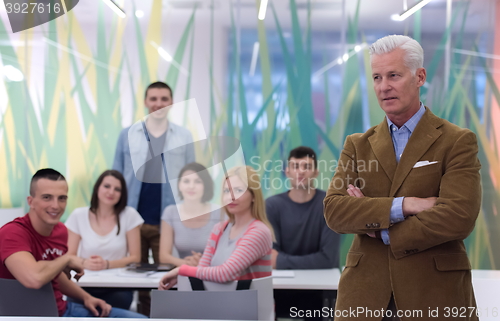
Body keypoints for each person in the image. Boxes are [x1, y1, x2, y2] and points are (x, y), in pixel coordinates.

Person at [324, 35, 481, 321]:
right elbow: (335, 211)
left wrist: (380, 229)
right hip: (365, 296)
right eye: (376, 77)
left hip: (435, 294)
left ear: (419, 76)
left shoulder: (457, 141)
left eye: (394, 75)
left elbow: (458, 215)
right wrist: (406, 205)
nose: (384, 87)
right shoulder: (357, 145)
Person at [0, 168, 146, 318]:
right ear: (31, 201)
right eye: (47, 197)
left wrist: (86, 298)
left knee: (141, 318)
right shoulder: (12, 233)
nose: (56, 205)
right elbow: (34, 278)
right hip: (28, 316)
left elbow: (53, 275)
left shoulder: (60, 231)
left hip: (62, 310)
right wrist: (67, 259)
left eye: (62, 198)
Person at [113, 81, 195, 315]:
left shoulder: (184, 135)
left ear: (171, 102)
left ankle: (163, 316)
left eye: (164, 99)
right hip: (132, 218)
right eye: (153, 99)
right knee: (131, 274)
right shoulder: (127, 134)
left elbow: (192, 177)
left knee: (166, 275)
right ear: (146, 102)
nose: (158, 104)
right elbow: (117, 174)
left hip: (168, 217)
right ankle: (139, 316)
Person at [158, 166, 273, 289]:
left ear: (254, 196)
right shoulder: (219, 229)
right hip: (219, 303)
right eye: (227, 191)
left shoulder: (259, 231)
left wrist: (181, 270)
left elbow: (226, 273)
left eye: (239, 190)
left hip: (249, 305)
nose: (231, 197)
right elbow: (202, 270)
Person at [266, 146, 341, 320]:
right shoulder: (272, 206)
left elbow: (328, 259)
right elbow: (269, 257)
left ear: (315, 172)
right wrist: (276, 260)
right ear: (287, 172)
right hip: (281, 287)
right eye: (295, 166)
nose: (301, 172)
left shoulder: (329, 205)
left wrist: (281, 260)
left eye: (306, 167)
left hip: (321, 289)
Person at [65, 170, 143, 310]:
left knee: (120, 301)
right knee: (74, 303)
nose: (111, 192)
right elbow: (69, 256)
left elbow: (135, 257)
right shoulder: (78, 215)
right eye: (107, 186)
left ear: (122, 194)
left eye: (117, 189)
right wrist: (85, 263)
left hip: (118, 286)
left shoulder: (129, 215)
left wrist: (107, 264)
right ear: (97, 188)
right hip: (84, 283)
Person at [159, 162, 220, 267]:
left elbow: (226, 254)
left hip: (214, 273)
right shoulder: (170, 212)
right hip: (183, 273)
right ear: (179, 185)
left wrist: (202, 263)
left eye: (197, 181)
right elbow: (164, 257)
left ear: (205, 185)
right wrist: (188, 264)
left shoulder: (220, 213)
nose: (191, 186)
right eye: (186, 181)